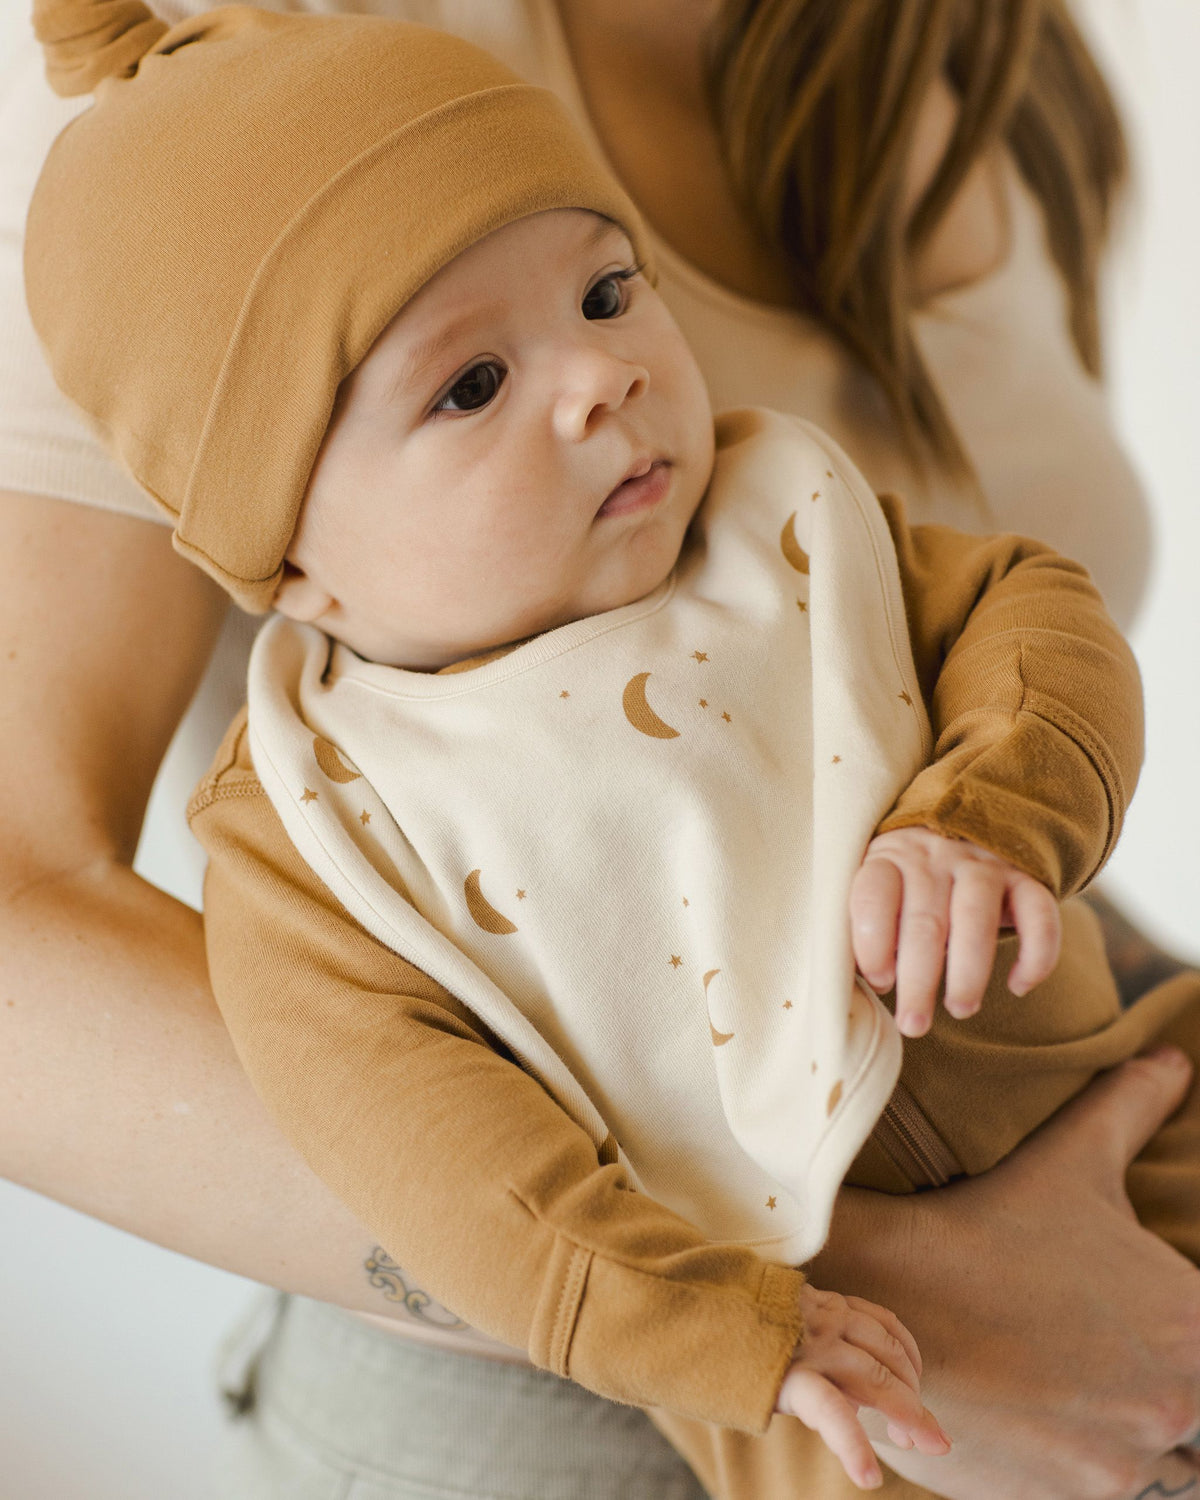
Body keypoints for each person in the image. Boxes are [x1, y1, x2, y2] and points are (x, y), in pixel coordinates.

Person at [6, 1, 1200, 1497]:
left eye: (609, 292)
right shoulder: (323, 846)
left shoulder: (778, 518)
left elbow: (1031, 612)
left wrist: (991, 815)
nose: (603, 377)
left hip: (1096, 1067)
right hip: (780, 1351)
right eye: (472, 386)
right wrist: (755, 1329)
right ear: (294, 569)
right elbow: (452, 1170)